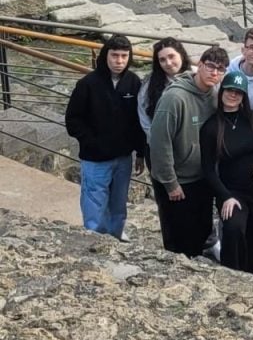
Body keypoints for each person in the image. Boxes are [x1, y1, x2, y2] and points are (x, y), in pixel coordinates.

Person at [149, 46, 227, 257]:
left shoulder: (215, 96)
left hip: (201, 178)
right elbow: (158, 142)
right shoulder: (174, 98)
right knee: (177, 240)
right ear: (199, 65)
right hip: (178, 180)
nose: (214, 73)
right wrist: (170, 182)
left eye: (220, 70)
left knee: (200, 234)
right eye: (210, 66)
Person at [65, 35, 144, 239]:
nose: (119, 61)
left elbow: (140, 121)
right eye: (114, 55)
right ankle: (94, 239)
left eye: (124, 56)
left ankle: (116, 234)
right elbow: (73, 120)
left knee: (119, 203)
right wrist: (91, 141)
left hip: (123, 157)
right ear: (105, 56)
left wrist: (141, 153)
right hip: (94, 159)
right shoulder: (87, 84)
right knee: (94, 203)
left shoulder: (134, 83)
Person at [199, 73, 253, 277]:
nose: (233, 95)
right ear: (222, 92)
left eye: (238, 92)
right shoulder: (211, 127)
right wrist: (225, 196)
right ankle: (231, 275)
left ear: (243, 96)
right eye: (229, 90)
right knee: (234, 229)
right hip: (233, 191)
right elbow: (208, 169)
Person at [138, 37, 192, 148]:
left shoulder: (196, 77)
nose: (168, 63)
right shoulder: (150, 84)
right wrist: (157, 140)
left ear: (181, 54)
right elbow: (143, 114)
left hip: (190, 147)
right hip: (159, 146)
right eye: (162, 60)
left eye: (171, 56)